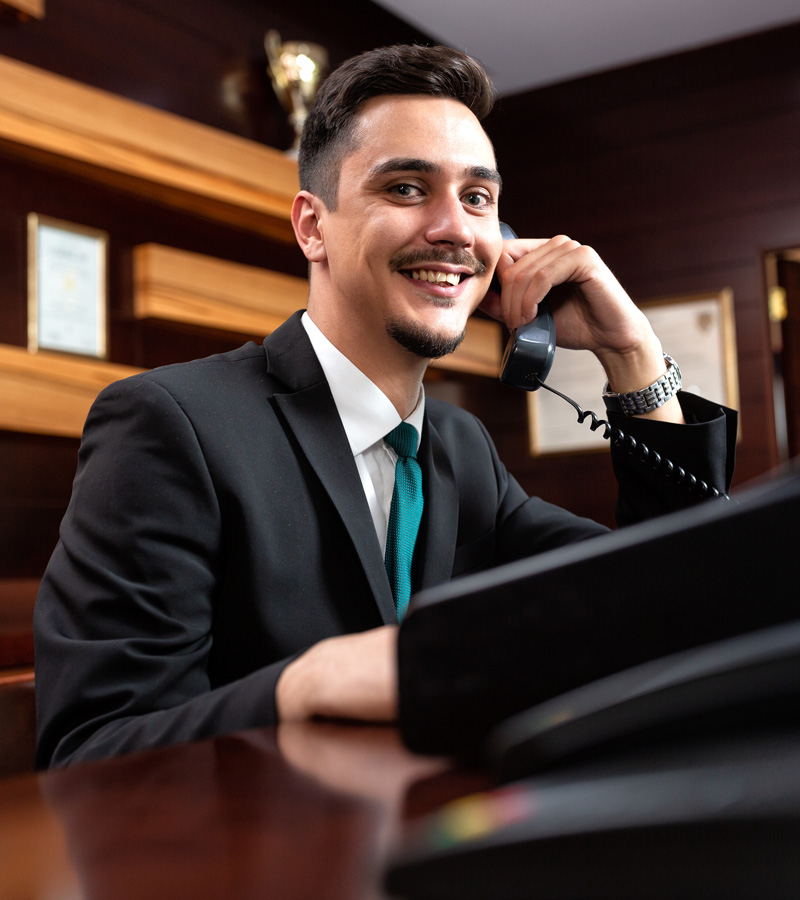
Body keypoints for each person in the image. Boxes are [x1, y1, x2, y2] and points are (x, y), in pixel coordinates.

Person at [33, 44, 736, 769]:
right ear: (312, 227)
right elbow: (91, 751)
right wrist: (303, 688)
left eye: (478, 198)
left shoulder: (462, 449)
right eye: (406, 188)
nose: (457, 230)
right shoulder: (168, 424)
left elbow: (681, 595)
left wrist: (634, 356)